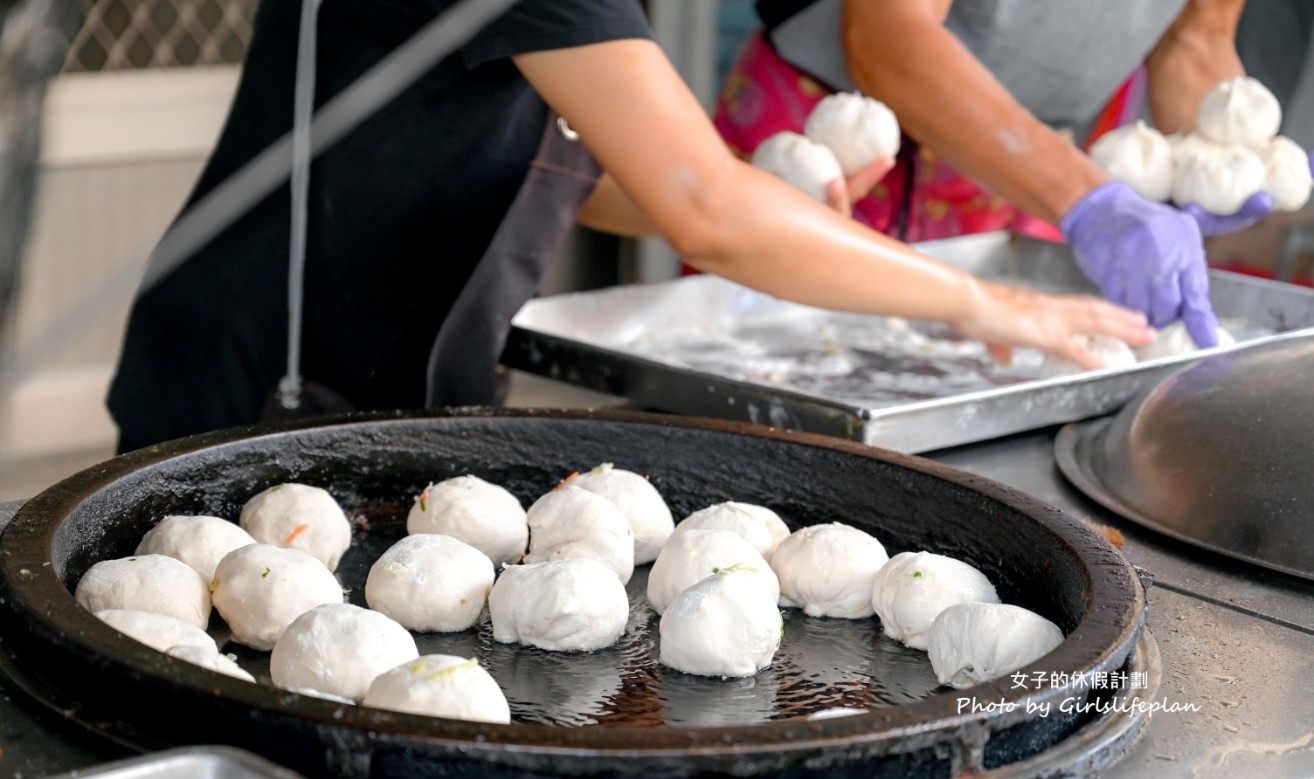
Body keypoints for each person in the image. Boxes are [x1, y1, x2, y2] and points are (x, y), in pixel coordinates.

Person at [107, 0, 1152, 453]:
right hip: (266, 373)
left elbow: (575, 166)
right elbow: (704, 212)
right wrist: (980, 296)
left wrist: (760, 186)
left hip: (393, 355)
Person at [715, 0, 1268, 349]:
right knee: (761, 361)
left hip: (1033, 172)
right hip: (839, 146)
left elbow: (1195, 38)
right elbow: (887, 33)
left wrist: (1217, 159)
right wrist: (1089, 200)